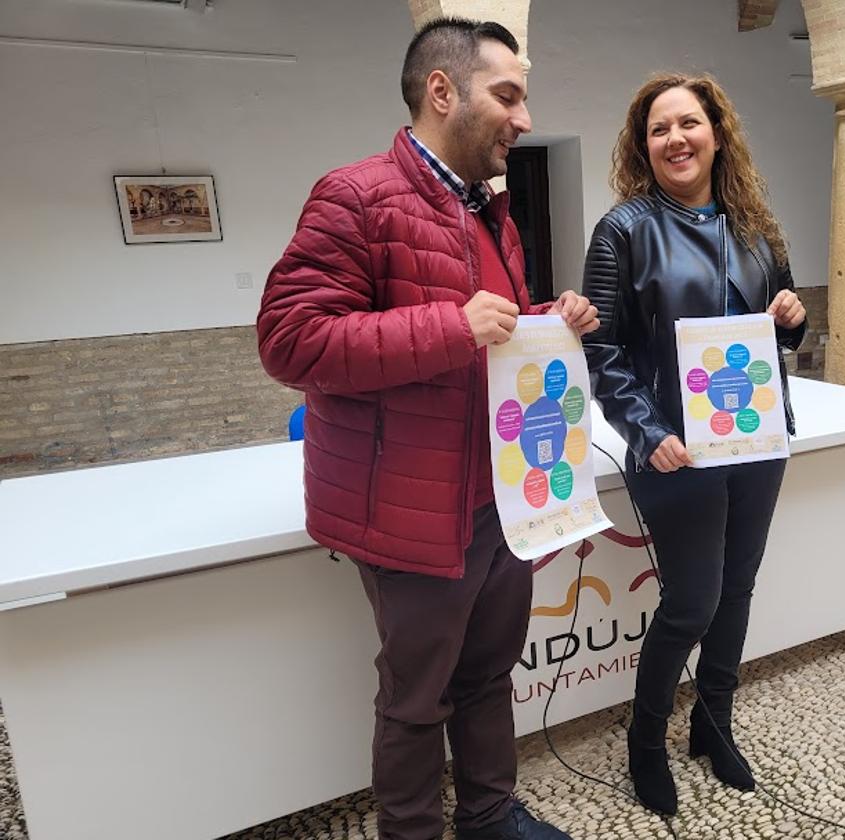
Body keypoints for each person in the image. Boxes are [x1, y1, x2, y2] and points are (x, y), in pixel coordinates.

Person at [258, 17, 597, 840]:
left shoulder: (493, 215)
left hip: (501, 502)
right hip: (409, 513)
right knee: (415, 698)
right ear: (442, 91)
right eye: (507, 95)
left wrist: (547, 320)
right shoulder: (356, 195)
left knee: (487, 675)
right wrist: (452, 326)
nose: (522, 118)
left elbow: (491, 331)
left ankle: (487, 816)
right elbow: (290, 341)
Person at [581, 73, 807, 816]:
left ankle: (713, 725)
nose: (675, 138)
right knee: (690, 602)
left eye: (688, 123)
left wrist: (791, 316)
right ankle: (646, 743)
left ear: (716, 132)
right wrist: (649, 433)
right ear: (643, 146)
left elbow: (784, 325)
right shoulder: (623, 230)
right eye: (658, 129)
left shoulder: (756, 228)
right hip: (674, 449)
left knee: (736, 592)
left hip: (756, 439)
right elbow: (604, 352)